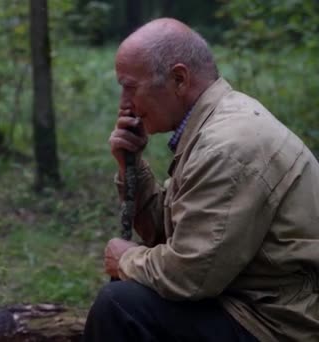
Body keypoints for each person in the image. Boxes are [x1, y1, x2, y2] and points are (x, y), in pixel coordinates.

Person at [82, 18, 319, 342]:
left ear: (179, 79)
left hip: (276, 325)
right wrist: (131, 167)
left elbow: (191, 276)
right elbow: (172, 231)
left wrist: (127, 259)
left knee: (120, 306)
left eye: (130, 87)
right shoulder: (216, 125)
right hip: (246, 303)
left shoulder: (227, 145)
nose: (124, 104)